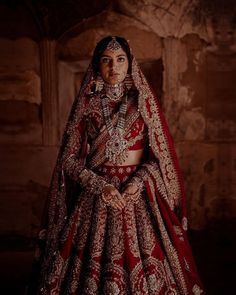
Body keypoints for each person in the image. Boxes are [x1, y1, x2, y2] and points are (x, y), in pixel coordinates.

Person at [29, 36, 204, 294]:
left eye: (121, 59)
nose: (114, 67)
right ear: (97, 66)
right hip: (96, 197)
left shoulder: (144, 105)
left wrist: (138, 182)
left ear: (130, 63)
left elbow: (158, 159)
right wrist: (100, 186)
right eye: (107, 60)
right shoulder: (87, 106)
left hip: (137, 198)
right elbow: (68, 160)